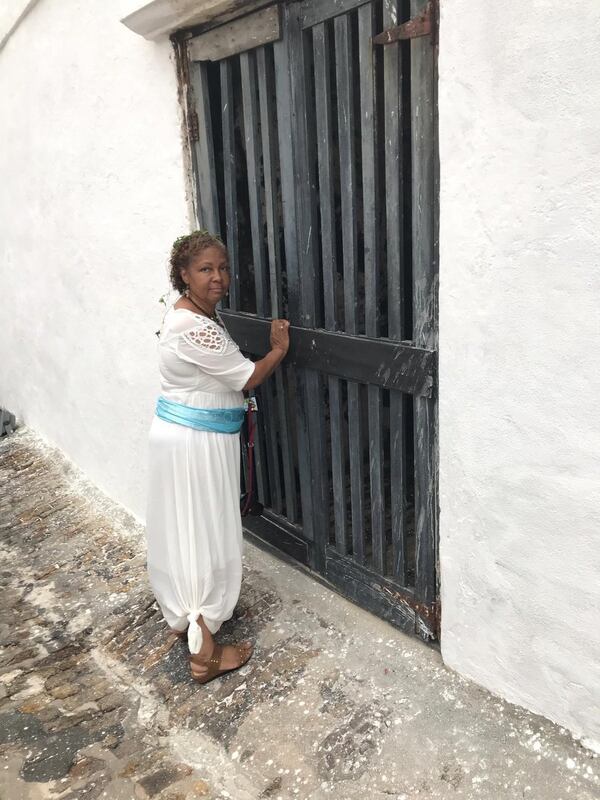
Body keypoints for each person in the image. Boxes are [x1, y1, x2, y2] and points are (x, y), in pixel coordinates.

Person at [146, 230, 289, 683]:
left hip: (188, 438)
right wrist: (279, 350)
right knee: (204, 533)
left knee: (189, 529)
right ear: (183, 274)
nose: (218, 277)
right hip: (195, 445)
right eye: (206, 269)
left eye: (223, 268)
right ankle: (204, 651)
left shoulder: (193, 315)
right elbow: (246, 378)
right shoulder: (193, 325)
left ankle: (189, 622)